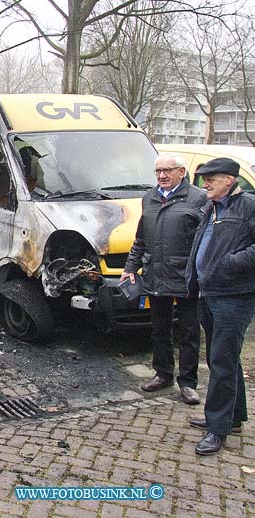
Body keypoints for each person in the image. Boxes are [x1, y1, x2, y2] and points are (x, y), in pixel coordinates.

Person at [121, 154, 206, 404]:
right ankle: (163, 374)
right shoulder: (149, 198)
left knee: (189, 332)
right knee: (159, 328)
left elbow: (205, 240)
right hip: (156, 276)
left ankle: (188, 383)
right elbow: (140, 239)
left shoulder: (198, 198)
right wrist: (130, 267)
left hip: (186, 277)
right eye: (158, 171)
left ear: (181, 172)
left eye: (167, 171)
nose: (162, 176)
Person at [185, 157, 255, 455]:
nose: (204, 183)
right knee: (223, 359)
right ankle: (233, 418)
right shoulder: (211, 208)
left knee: (222, 361)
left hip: (234, 295)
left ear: (229, 179)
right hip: (208, 293)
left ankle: (218, 428)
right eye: (202, 178)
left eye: (210, 178)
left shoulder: (248, 206)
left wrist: (231, 263)